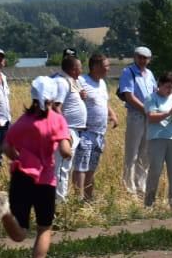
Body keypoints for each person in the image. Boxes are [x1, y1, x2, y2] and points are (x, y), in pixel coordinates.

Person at [0, 76, 73, 258]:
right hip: (45, 181)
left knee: (19, 234)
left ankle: (6, 213)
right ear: (53, 97)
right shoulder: (57, 120)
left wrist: (18, 156)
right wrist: (68, 149)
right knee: (44, 227)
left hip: (21, 177)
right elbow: (65, 151)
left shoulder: (23, 121)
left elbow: (7, 146)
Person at [74, 53, 118, 204]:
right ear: (95, 67)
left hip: (99, 133)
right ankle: (77, 200)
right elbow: (71, 97)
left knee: (91, 167)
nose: (108, 69)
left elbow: (103, 102)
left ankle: (88, 199)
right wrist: (79, 95)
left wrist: (112, 114)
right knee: (81, 166)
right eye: (106, 66)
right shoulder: (81, 81)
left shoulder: (102, 84)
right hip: (85, 132)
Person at [117, 46, 156, 197]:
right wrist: (146, 110)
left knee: (146, 152)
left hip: (149, 116)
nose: (142, 60)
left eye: (145, 58)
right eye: (140, 57)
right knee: (132, 152)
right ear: (135, 57)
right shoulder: (128, 72)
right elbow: (129, 96)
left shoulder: (150, 74)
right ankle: (129, 187)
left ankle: (141, 185)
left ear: (149, 59)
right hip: (136, 116)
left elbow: (153, 93)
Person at [144, 71, 172, 211]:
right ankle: (149, 203)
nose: (170, 90)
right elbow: (151, 117)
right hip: (156, 138)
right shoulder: (151, 98)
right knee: (155, 170)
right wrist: (169, 113)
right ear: (160, 85)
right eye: (168, 86)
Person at [52, 53, 87, 201]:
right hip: (68, 130)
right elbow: (56, 107)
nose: (81, 70)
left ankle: (62, 199)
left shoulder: (72, 80)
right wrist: (64, 130)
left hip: (75, 130)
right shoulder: (61, 82)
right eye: (80, 67)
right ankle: (59, 203)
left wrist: (82, 96)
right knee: (61, 168)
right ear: (73, 69)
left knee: (66, 167)